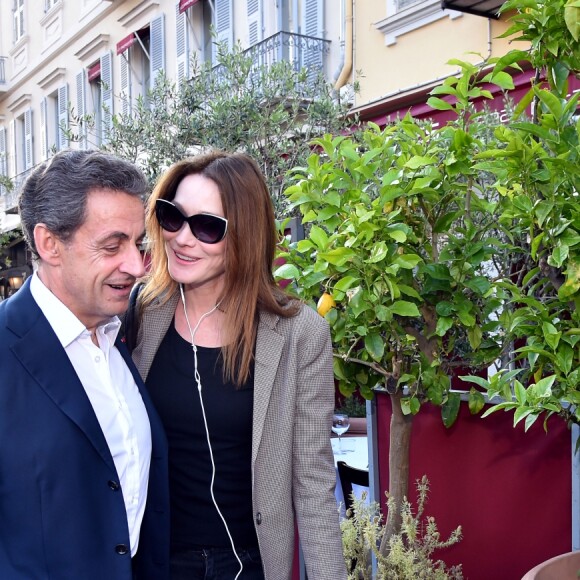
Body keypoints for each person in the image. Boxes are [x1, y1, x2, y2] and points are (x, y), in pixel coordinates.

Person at [127, 150, 347, 580]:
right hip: (152, 562)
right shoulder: (141, 312)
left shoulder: (300, 333)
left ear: (246, 235)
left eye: (207, 226)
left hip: (247, 564)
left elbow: (313, 482)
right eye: (173, 216)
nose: (182, 239)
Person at [0, 149, 170, 580]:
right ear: (49, 244)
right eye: (113, 245)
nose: (135, 265)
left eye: (138, 244)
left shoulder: (124, 333)